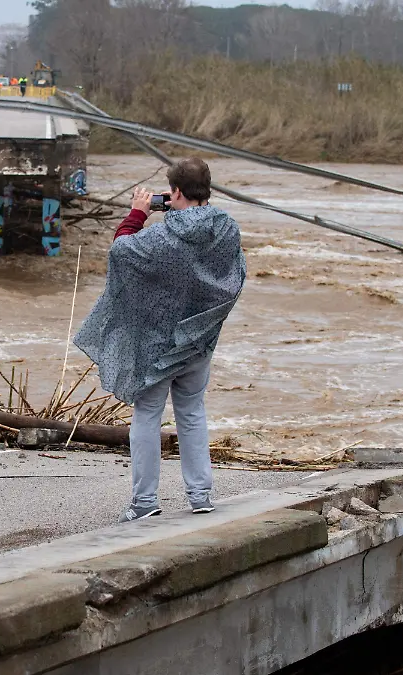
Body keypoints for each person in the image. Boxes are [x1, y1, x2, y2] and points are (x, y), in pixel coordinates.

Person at [73, 158, 246, 523]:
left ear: (175, 192)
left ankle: (144, 502)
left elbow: (121, 252)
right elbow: (234, 274)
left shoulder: (161, 239)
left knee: (147, 416)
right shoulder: (226, 229)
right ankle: (201, 496)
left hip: (156, 346)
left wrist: (138, 213)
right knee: (192, 413)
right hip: (198, 339)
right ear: (207, 190)